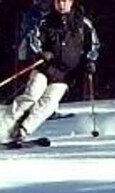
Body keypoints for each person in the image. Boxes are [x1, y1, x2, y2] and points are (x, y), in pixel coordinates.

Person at [5, 0, 100, 144]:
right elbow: (34, 40)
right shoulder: (46, 21)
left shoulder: (83, 23)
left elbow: (93, 45)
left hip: (65, 74)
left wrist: (90, 61)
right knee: (32, 95)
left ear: (72, 2)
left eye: (65, 1)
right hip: (45, 69)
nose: (62, 5)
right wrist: (42, 53)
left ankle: (22, 130)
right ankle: (2, 127)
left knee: (49, 104)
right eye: (58, 1)